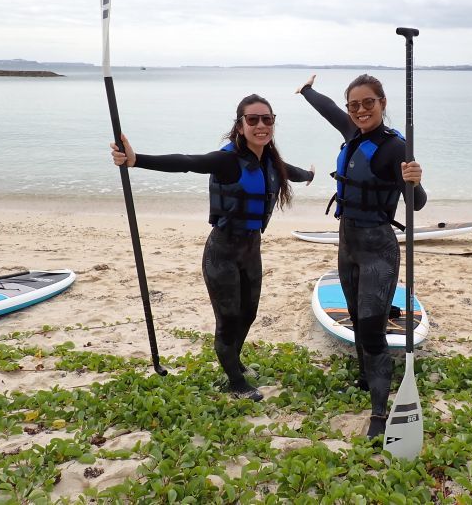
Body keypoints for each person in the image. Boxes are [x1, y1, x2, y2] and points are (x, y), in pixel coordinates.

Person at [110, 94, 314, 401]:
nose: (261, 125)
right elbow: (187, 162)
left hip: (251, 250)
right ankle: (235, 382)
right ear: (240, 125)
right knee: (229, 318)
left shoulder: (271, 161)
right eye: (253, 119)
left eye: (267, 119)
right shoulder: (227, 161)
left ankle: (236, 361)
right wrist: (137, 160)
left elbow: (292, 172)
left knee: (249, 314)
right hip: (222, 252)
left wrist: (312, 176)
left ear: (273, 123)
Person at [295, 73, 426, 439]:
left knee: (372, 329)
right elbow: (328, 110)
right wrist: (306, 91)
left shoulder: (395, 149)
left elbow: (416, 203)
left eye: (369, 102)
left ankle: (380, 415)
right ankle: (367, 378)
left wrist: (414, 179)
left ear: (382, 103)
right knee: (356, 319)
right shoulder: (351, 130)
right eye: (355, 105)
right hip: (347, 243)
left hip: (377, 249)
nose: (360, 110)